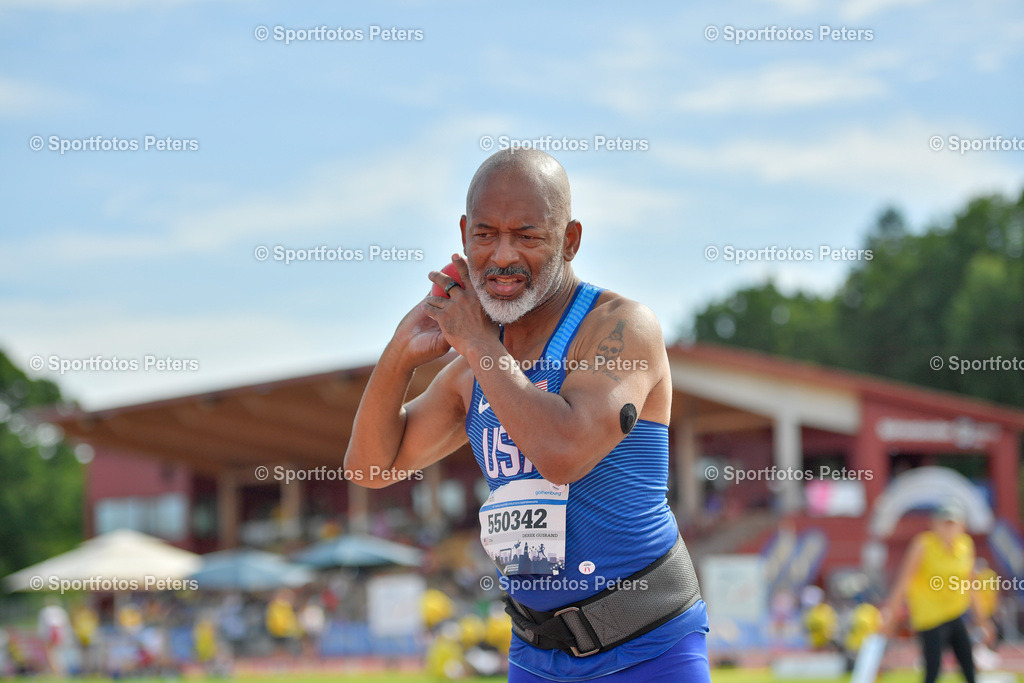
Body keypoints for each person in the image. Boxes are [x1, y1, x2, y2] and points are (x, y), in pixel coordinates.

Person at [345, 149, 710, 681]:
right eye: (486, 235)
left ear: (570, 240)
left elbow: (564, 452)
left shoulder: (621, 328)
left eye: (528, 236)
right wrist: (401, 351)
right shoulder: (473, 371)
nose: (503, 255)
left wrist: (474, 342)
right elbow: (369, 468)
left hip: (648, 645)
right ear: (465, 235)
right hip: (535, 654)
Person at [881, 501, 994, 683]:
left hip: (955, 613)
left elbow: (971, 585)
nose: (949, 528)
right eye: (944, 523)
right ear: (934, 524)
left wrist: (983, 620)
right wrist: (890, 615)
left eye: (953, 523)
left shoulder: (965, 546)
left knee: (968, 666)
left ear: (962, 526)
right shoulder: (923, 545)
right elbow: (903, 581)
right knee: (933, 669)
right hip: (930, 617)